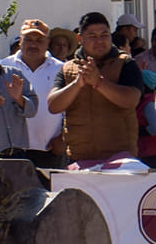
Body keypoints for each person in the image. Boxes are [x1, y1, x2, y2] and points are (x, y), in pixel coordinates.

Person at [49, 10, 144, 163]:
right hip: (78, 158)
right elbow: (53, 106)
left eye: (104, 35)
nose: (99, 41)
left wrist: (98, 83)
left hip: (120, 159)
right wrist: (77, 84)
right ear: (80, 38)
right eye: (92, 36)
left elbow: (131, 100)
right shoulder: (67, 68)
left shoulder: (125, 63)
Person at [6, 19, 68, 169]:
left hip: (50, 151)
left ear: (47, 43)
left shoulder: (63, 69)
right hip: (11, 152)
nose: (33, 45)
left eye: (39, 40)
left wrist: (64, 138)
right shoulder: (4, 67)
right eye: (28, 39)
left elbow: (74, 108)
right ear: (20, 41)